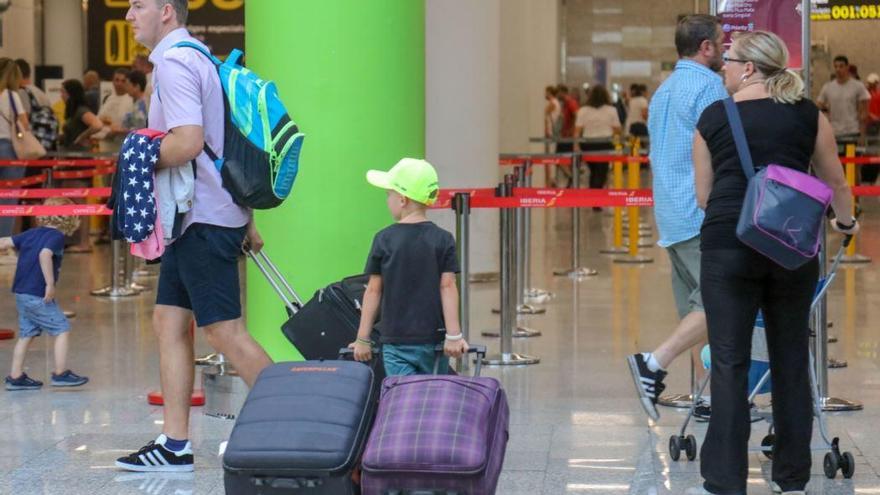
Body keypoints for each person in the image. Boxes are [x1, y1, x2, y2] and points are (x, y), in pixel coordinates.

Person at [692, 30, 857, 495]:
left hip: (728, 244)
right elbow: (836, 185)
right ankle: (791, 478)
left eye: (728, 60)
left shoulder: (712, 117)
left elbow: (704, 196)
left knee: (728, 360)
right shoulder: (808, 115)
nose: (722, 66)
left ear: (748, 68)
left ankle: (724, 481)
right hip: (791, 248)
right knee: (789, 357)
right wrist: (844, 225)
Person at [116, 0, 272, 472]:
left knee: (225, 331)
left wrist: (136, 159)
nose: (128, 14)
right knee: (168, 322)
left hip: (202, 218)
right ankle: (175, 444)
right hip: (197, 217)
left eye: (138, 4)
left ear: (166, 11)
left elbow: (187, 141)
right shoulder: (196, 55)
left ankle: (293, 421)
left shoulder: (176, 60)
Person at [627, 14, 728, 421]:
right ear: (706, 47)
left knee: (695, 308)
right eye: (722, 42)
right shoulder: (709, 87)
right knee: (718, 302)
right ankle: (653, 362)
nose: (725, 50)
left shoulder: (664, 91)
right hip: (699, 211)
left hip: (670, 213)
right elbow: (720, 149)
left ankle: (707, 396)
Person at [351, 158, 468, 376]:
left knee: (402, 399)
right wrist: (454, 335)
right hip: (434, 341)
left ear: (402, 200)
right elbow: (448, 286)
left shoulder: (383, 239)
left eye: (389, 195)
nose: (387, 201)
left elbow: (374, 290)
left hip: (396, 342)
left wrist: (362, 339)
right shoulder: (443, 239)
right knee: (433, 398)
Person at [1, 197, 90, 391]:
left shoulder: (31, 233)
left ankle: (15, 376)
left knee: (27, 334)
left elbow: (5, 242)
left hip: (21, 293)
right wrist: (50, 283)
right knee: (61, 328)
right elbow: (44, 254)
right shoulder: (56, 236)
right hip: (37, 294)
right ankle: (60, 373)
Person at [817, 56, 872, 181]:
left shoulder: (857, 86)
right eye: (836, 66)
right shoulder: (828, 87)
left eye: (841, 66)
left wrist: (862, 135)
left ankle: (856, 200)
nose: (838, 69)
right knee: (838, 169)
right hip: (835, 134)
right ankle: (841, 200)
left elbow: (864, 113)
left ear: (847, 67)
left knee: (854, 168)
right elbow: (818, 106)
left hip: (853, 133)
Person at [574, 84, 620, 203]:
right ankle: (596, 199)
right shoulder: (612, 110)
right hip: (605, 144)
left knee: (594, 171)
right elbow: (617, 130)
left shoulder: (583, 110)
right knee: (601, 171)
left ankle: (594, 197)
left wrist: (576, 145)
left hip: (588, 144)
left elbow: (577, 130)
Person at [0, 58, 29, 241]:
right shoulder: (12, 96)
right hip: (9, 149)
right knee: (8, 199)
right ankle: (2, 243)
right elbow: (24, 123)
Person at [14, 59, 58, 152]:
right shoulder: (40, 93)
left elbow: (24, 120)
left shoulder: (22, 92)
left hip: (32, 143)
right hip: (45, 141)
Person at [95, 68, 134, 154]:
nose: (119, 83)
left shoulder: (132, 100)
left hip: (124, 147)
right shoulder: (108, 98)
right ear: (112, 81)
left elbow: (135, 125)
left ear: (128, 82)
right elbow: (99, 119)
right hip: (105, 146)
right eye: (117, 80)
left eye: (123, 81)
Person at [544, 85, 562, 186]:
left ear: (550, 92)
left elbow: (545, 116)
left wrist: (546, 128)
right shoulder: (557, 103)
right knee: (552, 156)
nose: (544, 94)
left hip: (550, 133)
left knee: (549, 157)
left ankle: (551, 180)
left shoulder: (552, 103)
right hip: (554, 133)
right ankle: (552, 179)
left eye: (546, 92)